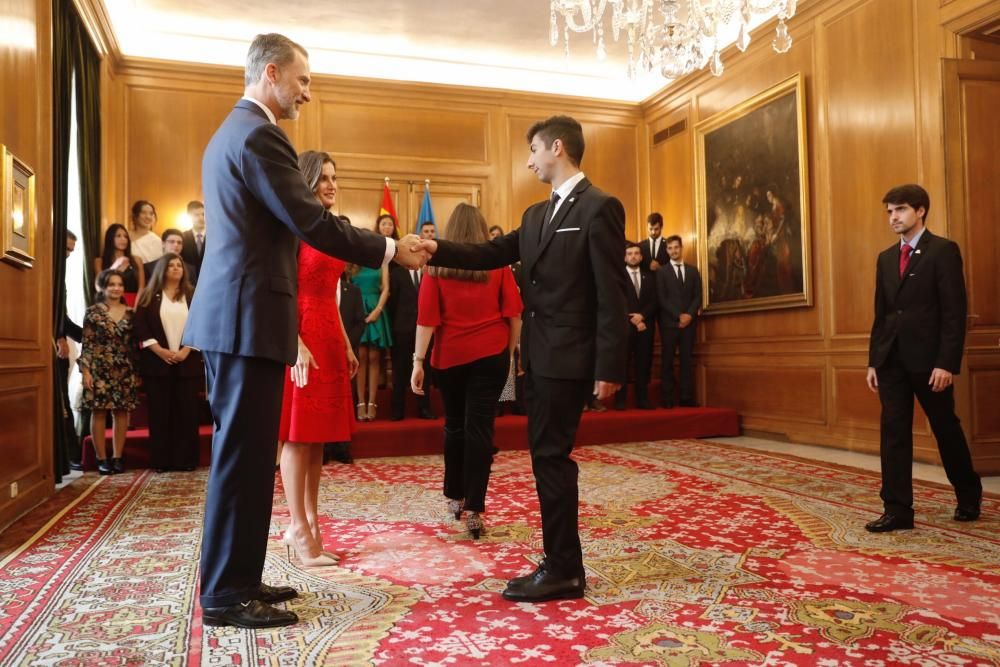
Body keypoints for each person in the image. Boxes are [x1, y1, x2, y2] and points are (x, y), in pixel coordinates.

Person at [182, 32, 426, 629]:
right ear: (271, 73)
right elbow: (312, 223)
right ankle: (223, 594)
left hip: (241, 318)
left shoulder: (232, 133)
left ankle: (238, 578)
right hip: (245, 319)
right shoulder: (260, 135)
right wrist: (391, 248)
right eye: (303, 81)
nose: (307, 93)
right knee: (241, 459)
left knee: (247, 455)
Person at [416, 115, 628, 603]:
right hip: (539, 357)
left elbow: (611, 294)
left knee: (551, 458)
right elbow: (490, 252)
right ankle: (561, 563)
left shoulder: (599, 207)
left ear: (557, 148)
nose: (529, 159)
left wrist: (609, 367)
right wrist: (436, 247)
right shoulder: (535, 216)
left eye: (533, 149)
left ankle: (563, 570)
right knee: (545, 457)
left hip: (572, 358)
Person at [865, 184, 981, 533]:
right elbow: (882, 314)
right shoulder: (885, 258)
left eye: (899, 210)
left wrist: (947, 362)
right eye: (889, 211)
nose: (893, 217)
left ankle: (968, 492)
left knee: (945, 428)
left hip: (931, 363)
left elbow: (953, 312)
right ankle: (898, 510)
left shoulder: (943, 251)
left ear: (920, 211)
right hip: (891, 362)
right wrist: (874, 360)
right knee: (893, 433)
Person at [411, 204, 523, 539]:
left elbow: (427, 318)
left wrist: (417, 361)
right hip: (492, 353)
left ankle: (453, 496)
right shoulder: (498, 265)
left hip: (451, 357)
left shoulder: (438, 266)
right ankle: (475, 506)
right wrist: (509, 351)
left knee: (455, 427)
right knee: (481, 431)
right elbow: (515, 313)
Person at [278, 150, 360, 566]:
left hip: (328, 330)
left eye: (334, 177)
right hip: (301, 335)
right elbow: (283, 290)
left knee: (316, 438)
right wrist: (295, 344)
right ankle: (296, 524)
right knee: (297, 434)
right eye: (322, 178)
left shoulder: (328, 228)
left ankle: (309, 519)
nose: (330, 184)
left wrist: (344, 342)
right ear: (306, 181)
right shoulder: (292, 227)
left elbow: (331, 293)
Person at [134, 253, 202, 472]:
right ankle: (161, 461)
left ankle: (186, 460)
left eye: (179, 265)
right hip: (157, 364)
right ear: (162, 270)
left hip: (187, 363)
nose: (175, 268)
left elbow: (202, 325)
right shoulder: (149, 296)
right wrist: (160, 351)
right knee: (160, 414)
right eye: (171, 265)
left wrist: (186, 350)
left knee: (187, 414)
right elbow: (141, 327)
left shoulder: (192, 296)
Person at [79, 270, 140, 475]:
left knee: (122, 412)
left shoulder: (131, 313)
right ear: (103, 287)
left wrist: (137, 372)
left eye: (120, 284)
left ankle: (117, 457)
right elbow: (87, 343)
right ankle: (101, 458)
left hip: (124, 369)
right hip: (98, 368)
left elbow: (134, 346)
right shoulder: (93, 312)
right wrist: (85, 371)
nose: (116, 288)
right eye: (111, 284)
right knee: (98, 411)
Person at [351, 213, 395, 421]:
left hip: (377, 309)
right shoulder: (352, 262)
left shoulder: (382, 260)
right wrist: (359, 314)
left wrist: (378, 309)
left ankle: (372, 402)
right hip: (358, 311)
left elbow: (386, 288)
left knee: (375, 356)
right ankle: (360, 402)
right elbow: (347, 288)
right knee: (360, 357)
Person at [656, 234, 701, 408]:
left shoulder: (692, 271)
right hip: (669, 324)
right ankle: (667, 399)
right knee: (667, 361)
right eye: (670, 248)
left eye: (676, 247)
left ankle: (686, 397)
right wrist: (678, 316)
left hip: (689, 324)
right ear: (667, 250)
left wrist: (689, 315)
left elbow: (697, 296)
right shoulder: (662, 272)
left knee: (686, 361)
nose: (673, 251)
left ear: (681, 248)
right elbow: (662, 298)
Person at [388, 261, 435, 421]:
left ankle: (424, 408)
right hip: (402, 328)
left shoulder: (429, 272)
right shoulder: (396, 273)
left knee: (425, 369)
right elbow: (392, 303)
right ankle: (397, 409)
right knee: (399, 369)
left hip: (425, 329)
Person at [616, 242, 657, 410]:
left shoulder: (650, 277)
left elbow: (655, 300)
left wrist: (642, 316)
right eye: (630, 253)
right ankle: (620, 401)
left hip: (645, 327)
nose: (633, 256)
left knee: (643, 364)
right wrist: (632, 318)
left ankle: (643, 400)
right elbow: (616, 300)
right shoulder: (618, 278)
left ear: (641, 257)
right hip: (624, 327)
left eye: (636, 253)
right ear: (625, 257)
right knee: (622, 364)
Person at [57, 231, 84, 471]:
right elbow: (58, 318)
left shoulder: (58, 273)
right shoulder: (50, 272)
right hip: (54, 349)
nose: (67, 255)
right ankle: (69, 456)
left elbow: (60, 317)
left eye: (71, 251)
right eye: (65, 249)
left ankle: (70, 456)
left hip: (60, 346)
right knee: (61, 405)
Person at [95, 223, 144, 305]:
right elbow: (99, 287)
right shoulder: (99, 261)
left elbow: (141, 288)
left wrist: (135, 308)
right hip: (109, 303)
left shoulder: (137, 260)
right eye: (118, 236)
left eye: (125, 237)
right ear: (110, 238)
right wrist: (115, 266)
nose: (123, 239)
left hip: (133, 302)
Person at [129, 200, 163, 264]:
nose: (148, 217)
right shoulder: (125, 236)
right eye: (143, 213)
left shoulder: (156, 240)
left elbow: (156, 266)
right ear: (135, 215)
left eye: (151, 214)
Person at [181, 200, 207, 279]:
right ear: (189, 216)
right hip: (188, 280)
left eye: (203, 214)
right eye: (196, 215)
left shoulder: (214, 236)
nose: (201, 218)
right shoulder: (183, 237)